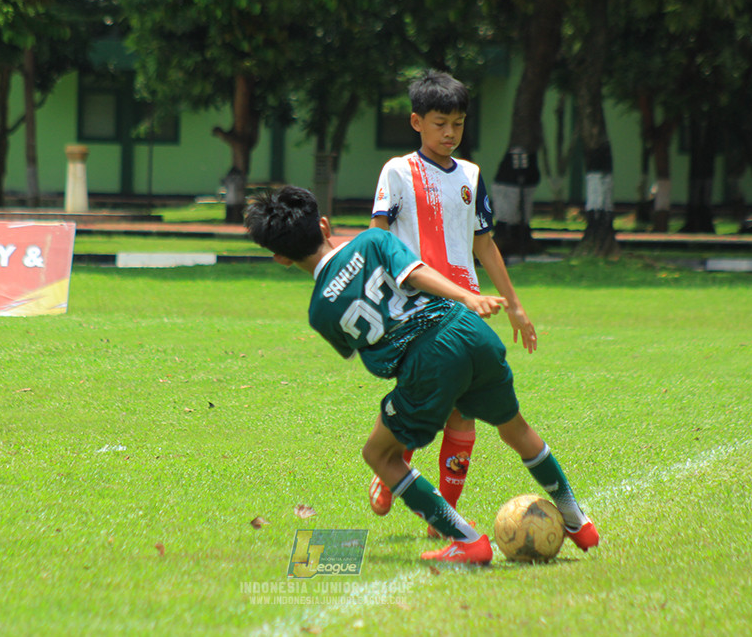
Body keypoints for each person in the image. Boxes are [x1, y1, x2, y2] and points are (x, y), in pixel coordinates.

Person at [244, 186, 598, 563]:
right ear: (324, 224)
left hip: (427, 361)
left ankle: (465, 539)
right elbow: (416, 272)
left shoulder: (319, 312)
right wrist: (467, 297)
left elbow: (359, 347)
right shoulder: (374, 240)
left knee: (379, 454)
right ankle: (577, 521)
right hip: (467, 329)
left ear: (281, 258)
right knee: (516, 429)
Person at [368, 70, 538, 533]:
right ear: (416, 122)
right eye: (441, 123)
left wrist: (515, 305)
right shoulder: (398, 171)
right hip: (414, 310)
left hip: (464, 309)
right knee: (423, 402)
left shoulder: (471, 176)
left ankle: (443, 514)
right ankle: (392, 465)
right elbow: (377, 240)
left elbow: (485, 245)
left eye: (458, 124)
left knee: (462, 409)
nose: (450, 133)